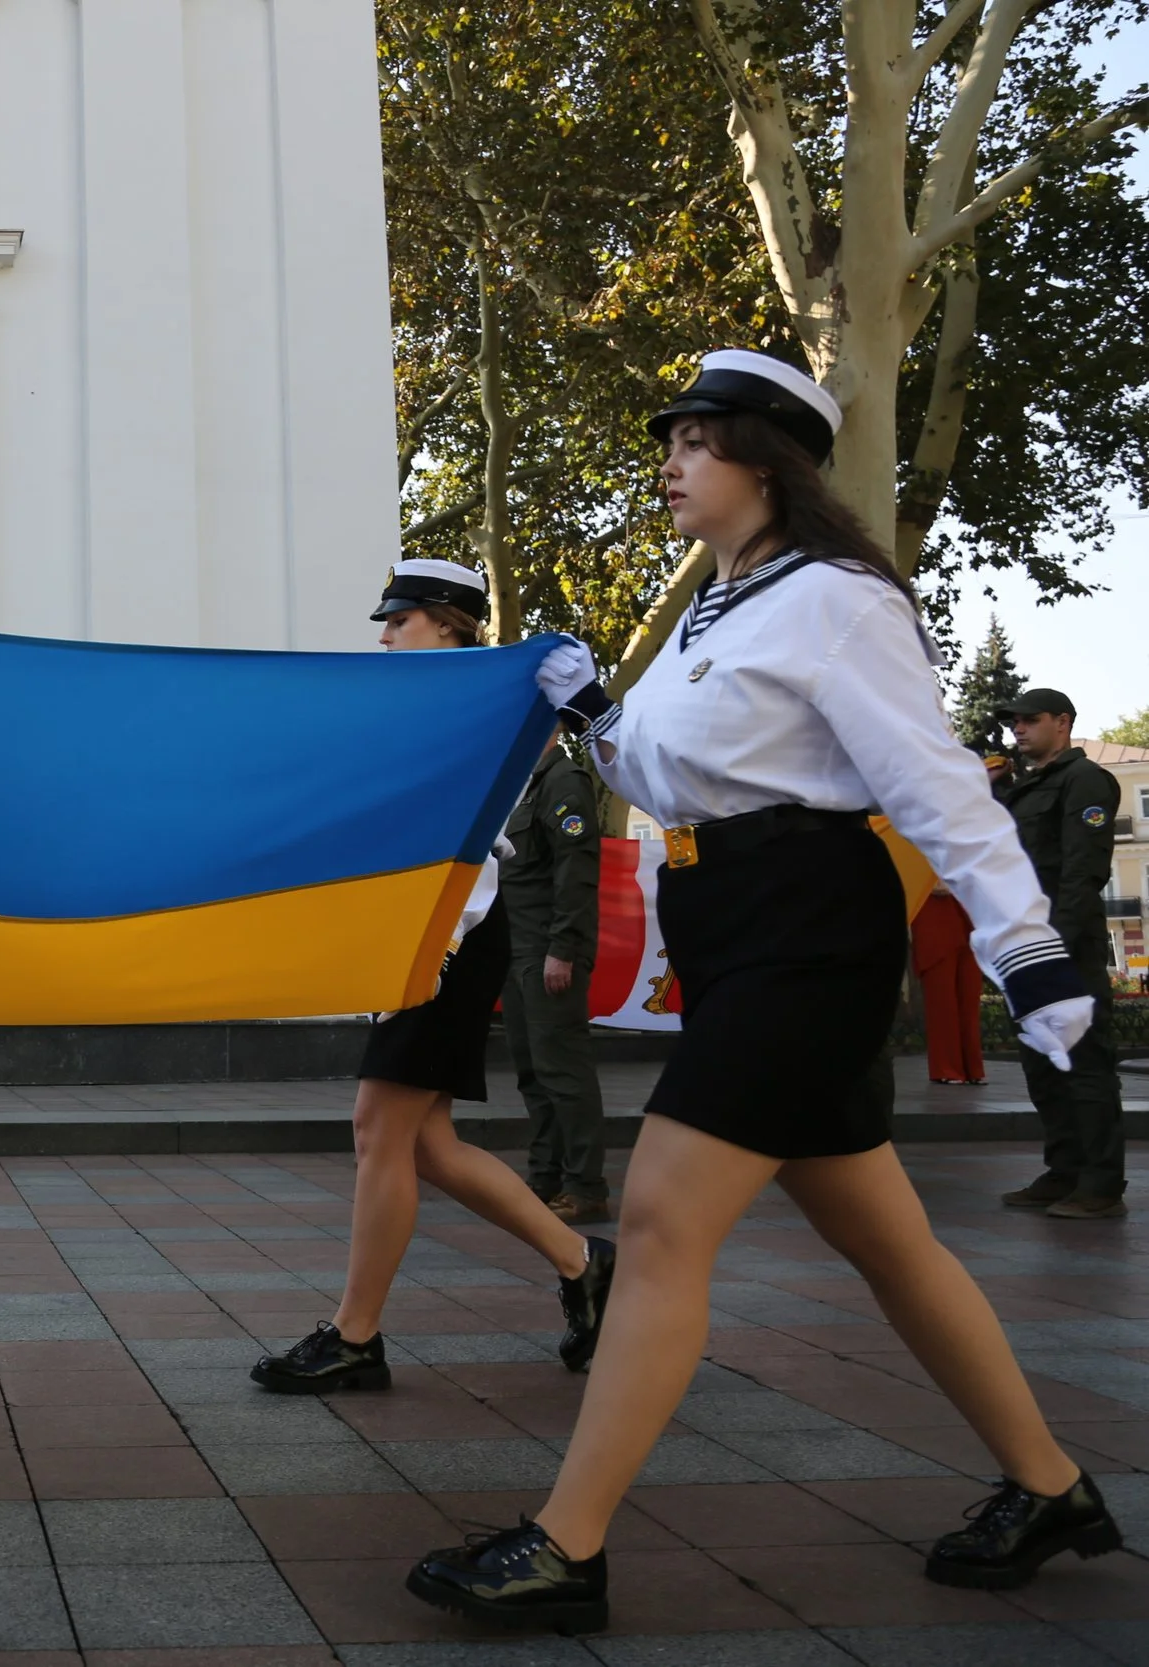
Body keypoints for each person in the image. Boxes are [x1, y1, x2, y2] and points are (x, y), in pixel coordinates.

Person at [408, 349, 1119, 1634]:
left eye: (695, 440)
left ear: (763, 460)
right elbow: (673, 773)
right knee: (887, 1238)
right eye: (670, 439)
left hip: (809, 926)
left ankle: (567, 1545)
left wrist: (1028, 947)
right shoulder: (713, 605)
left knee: (668, 1218)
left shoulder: (841, 599)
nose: (670, 463)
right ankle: (1050, 1483)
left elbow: (932, 782)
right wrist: (595, 713)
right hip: (729, 921)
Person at [252, 559, 614, 1398]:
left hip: (458, 930)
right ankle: (583, 1263)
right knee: (427, 1144)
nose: (384, 637)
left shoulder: (481, 705)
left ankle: (355, 1335)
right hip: (430, 933)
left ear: (448, 621)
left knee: (379, 1127)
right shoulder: (425, 706)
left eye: (401, 621)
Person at [992, 687, 1125, 1219]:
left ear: (1063, 723)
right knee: (1044, 1062)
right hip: (1024, 944)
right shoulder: (1026, 788)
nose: (1018, 730)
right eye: (1015, 722)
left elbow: (1082, 871)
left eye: (1030, 720)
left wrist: (1055, 949)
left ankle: (1100, 1185)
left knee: (1084, 1063)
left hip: (1062, 945)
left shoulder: (1086, 780)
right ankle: (1064, 1171)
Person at [503, 733, 609, 1222]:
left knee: (563, 1073)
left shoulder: (563, 781)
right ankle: (545, 1178)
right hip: (517, 947)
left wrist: (563, 949)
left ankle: (585, 1187)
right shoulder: (519, 784)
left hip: (548, 949)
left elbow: (576, 869)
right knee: (534, 1073)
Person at [914, 870, 985, 1086]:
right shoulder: (913, 839)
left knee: (969, 997)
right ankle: (946, 1068)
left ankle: (972, 1068)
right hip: (933, 913)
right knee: (942, 999)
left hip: (969, 910)